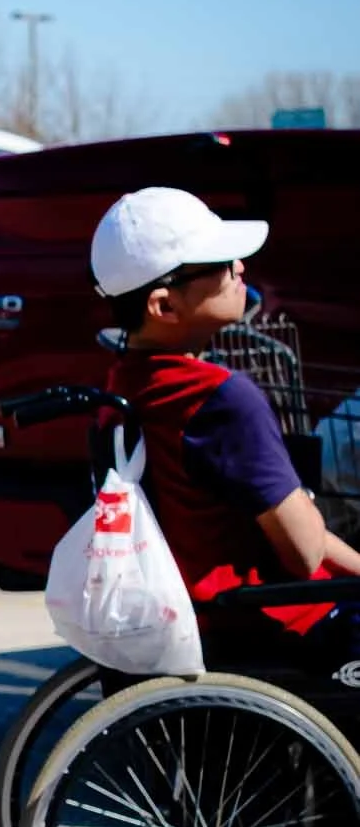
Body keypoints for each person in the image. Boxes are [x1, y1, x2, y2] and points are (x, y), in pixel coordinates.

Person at [91, 186, 360, 671]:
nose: (239, 268)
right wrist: (303, 503)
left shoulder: (126, 384)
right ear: (164, 305)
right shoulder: (222, 399)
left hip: (196, 619)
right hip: (275, 623)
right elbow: (303, 553)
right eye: (219, 262)